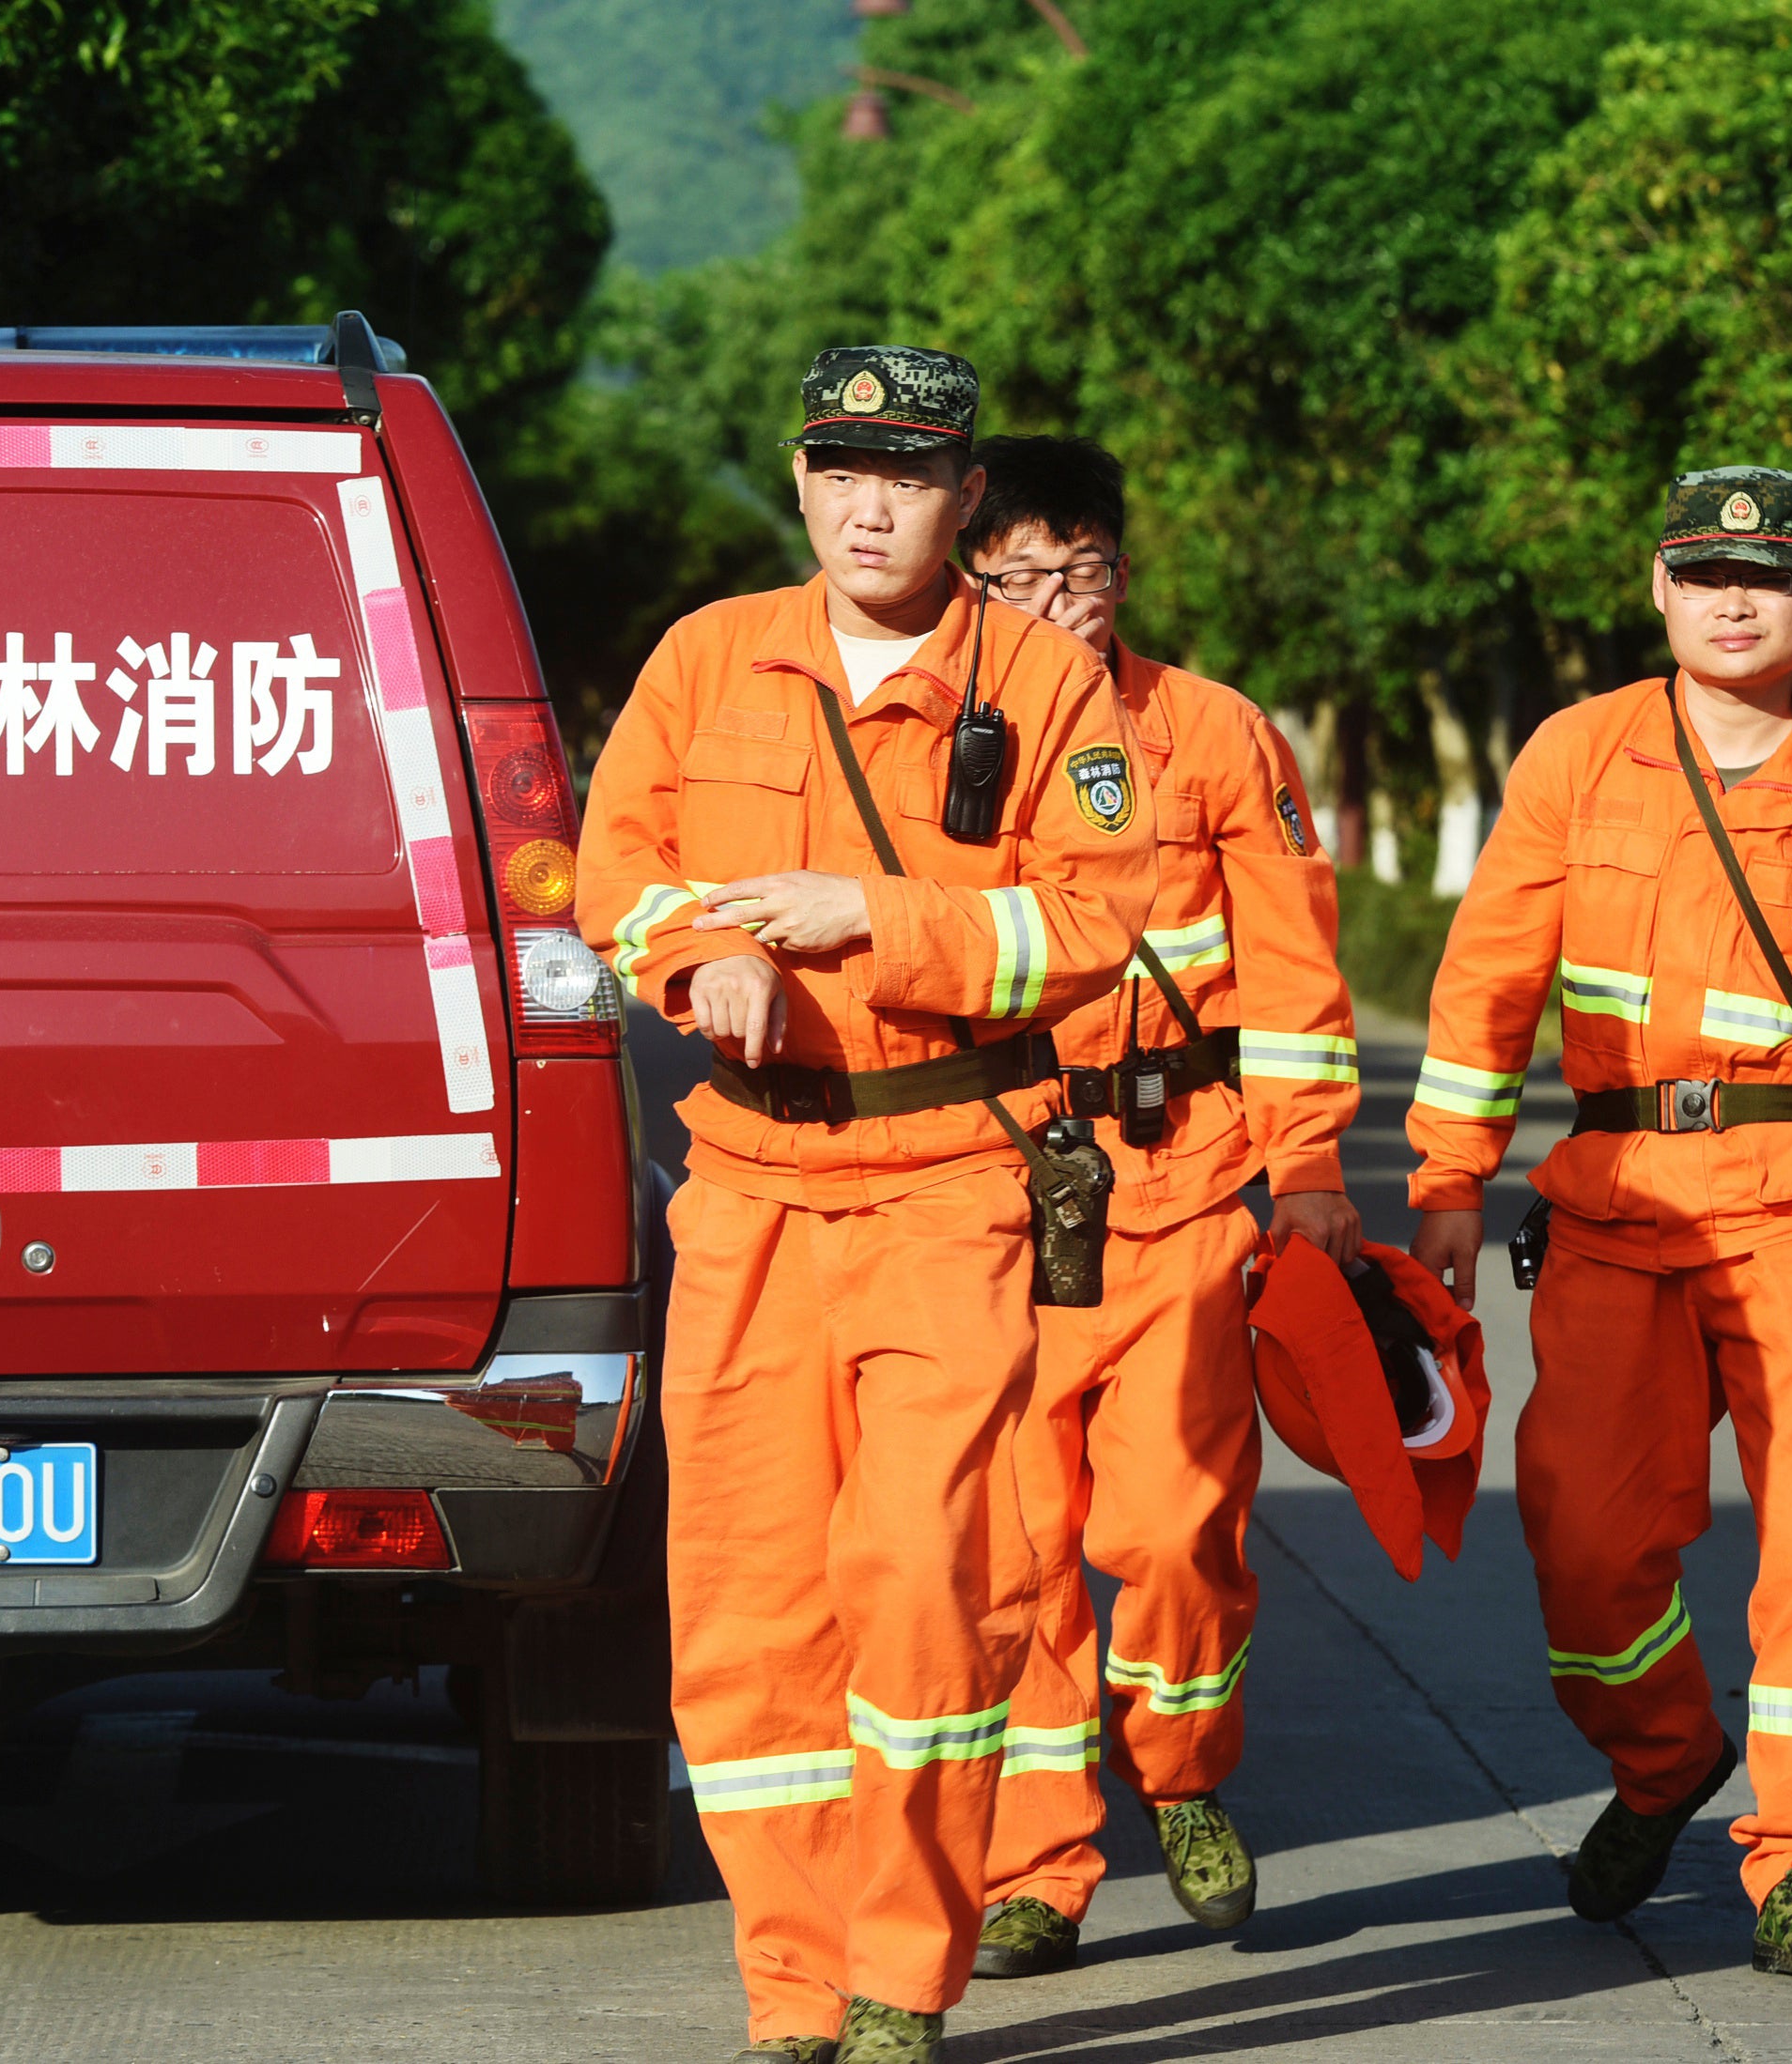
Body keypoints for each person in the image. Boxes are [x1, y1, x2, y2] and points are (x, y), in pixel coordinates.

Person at [578, 348, 1155, 2064]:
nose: (865, 501)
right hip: (747, 1191)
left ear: (967, 498)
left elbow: (1093, 923)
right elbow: (616, 870)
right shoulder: (706, 657)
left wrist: (865, 919)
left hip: (948, 1184)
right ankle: (789, 1992)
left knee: (919, 1583)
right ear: (802, 473)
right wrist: (706, 955)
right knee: (749, 1606)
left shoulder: (1050, 685)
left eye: (904, 473)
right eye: (838, 466)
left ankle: (900, 1976)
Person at [1406, 468, 1792, 1986]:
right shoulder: (1576, 753)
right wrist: (1442, 1184)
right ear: (1657, 587)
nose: (1733, 597)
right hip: (1614, 1211)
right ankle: (1666, 1751)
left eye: (1767, 572)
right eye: (1703, 570)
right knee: (1580, 1536)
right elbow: (1485, 988)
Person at [954, 436, 1363, 1978]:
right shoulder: (944, 732)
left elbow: (1298, 973)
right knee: (1021, 1541)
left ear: (1124, 570)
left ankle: (1183, 1777)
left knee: (1178, 1522)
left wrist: (1309, 1168)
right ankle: (1035, 1868)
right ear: (969, 577)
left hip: (1185, 1173)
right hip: (994, 1180)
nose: (1057, 598)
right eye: (1019, 573)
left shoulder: (1211, 732)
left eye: (1085, 567)